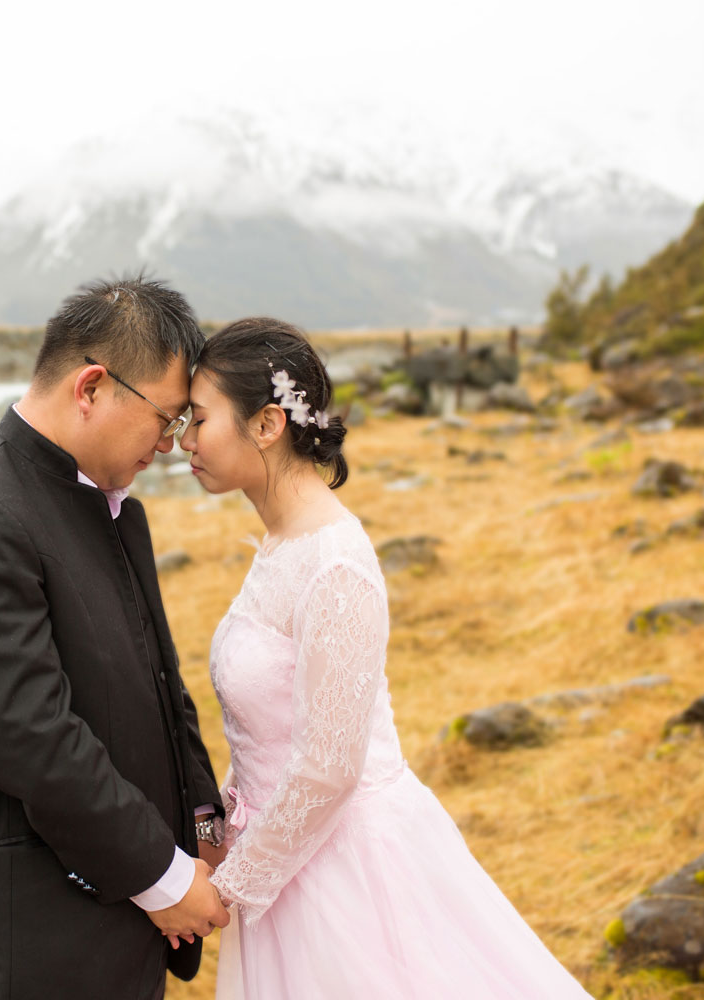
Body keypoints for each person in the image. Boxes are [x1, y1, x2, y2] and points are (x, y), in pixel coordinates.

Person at [181, 318, 594, 999]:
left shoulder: (334, 562)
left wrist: (232, 887)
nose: (185, 442)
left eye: (198, 420)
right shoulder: (281, 545)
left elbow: (329, 767)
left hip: (346, 874)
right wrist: (220, 827)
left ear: (267, 424)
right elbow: (270, 733)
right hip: (285, 861)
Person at [0, 277, 230, 1000]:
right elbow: (29, 737)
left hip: (121, 920)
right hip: (30, 943)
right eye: (165, 420)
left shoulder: (110, 508)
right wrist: (162, 877)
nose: (170, 446)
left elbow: (161, 688)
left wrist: (201, 822)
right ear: (91, 388)